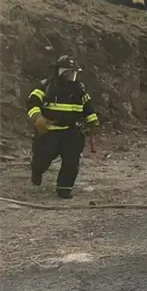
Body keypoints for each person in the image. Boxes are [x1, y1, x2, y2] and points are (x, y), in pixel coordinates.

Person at [26, 55, 100, 199]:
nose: (70, 76)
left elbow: (88, 108)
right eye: (67, 72)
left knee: (71, 162)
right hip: (49, 132)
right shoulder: (46, 86)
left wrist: (93, 123)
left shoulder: (80, 90)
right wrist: (38, 118)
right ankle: (37, 170)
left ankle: (64, 188)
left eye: (73, 73)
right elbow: (32, 103)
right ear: (58, 72)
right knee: (42, 159)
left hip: (72, 132)